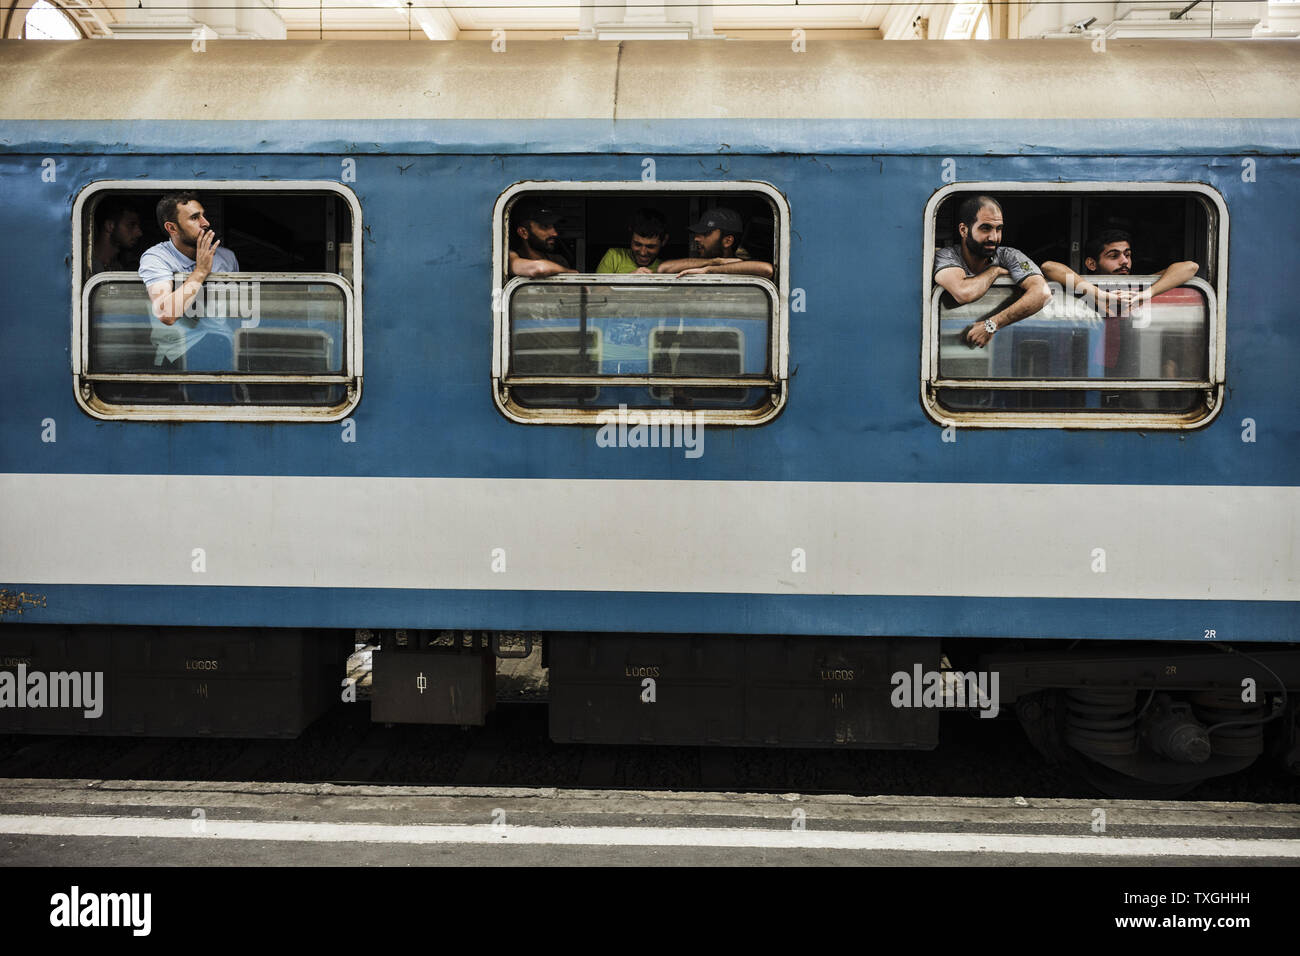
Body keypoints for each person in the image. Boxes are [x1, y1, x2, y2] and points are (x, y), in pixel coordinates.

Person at [933, 195, 1051, 348]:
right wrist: (994, 271)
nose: (994, 237)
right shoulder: (946, 256)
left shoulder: (1009, 255)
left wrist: (992, 325)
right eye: (985, 228)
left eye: (999, 229)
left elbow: (1042, 293)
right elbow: (964, 293)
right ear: (963, 230)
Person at [138, 192, 239, 370]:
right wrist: (200, 272)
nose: (205, 223)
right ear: (172, 228)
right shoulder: (156, 257)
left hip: (224, 343)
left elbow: (237, 312)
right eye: (194, 218)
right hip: (178, 349)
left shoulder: (226, 257)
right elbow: (166, 314)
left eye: (203, 215)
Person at [1040, 230, 1198, 311]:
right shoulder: (1080, 286)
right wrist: (1100, 295)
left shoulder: (1137, 288)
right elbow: (1049, 267)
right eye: (1114, 255)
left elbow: (1190, 267)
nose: (1124, 261)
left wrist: (1145, 295)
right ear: (1092, 264)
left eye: (1127, 255)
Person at [656, 207, 773, 279]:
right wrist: (716, 262)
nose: (696, 239)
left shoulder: (741, 263)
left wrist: (709, 270)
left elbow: (766, 269)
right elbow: (663, 269)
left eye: (706, 234)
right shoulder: (702, 261)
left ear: (728, 241)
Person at [508, 202, 576, 277]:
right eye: (545, 226)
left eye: (553, 226)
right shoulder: (510, 258)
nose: (554, 233)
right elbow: (539, 269)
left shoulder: (559, 260)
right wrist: (570, 272)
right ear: (523, 232)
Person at [596, 208, 668, 274]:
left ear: (664, 241)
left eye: (650, 247)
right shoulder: (614, 257)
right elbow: (596, 288)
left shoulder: (667, 268)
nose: (643, 252)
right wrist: (629, 278)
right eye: (637, 244)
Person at [90, 199, 144, 274]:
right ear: (110, 226)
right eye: (131, 225)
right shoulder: (87, 266)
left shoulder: (119, 266)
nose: (139, 233)